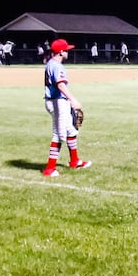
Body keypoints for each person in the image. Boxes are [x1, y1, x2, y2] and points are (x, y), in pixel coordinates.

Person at [42, 38, 91, 177]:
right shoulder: (57, 66)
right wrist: (73, 100)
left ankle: (75, 161)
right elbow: (60, 85)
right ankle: (50, 168)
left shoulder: (51, 63)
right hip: (57, 102)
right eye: (67, 50)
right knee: (58, 134)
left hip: (57, 100)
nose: (68, 52)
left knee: (71, 130)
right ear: (61, 52)